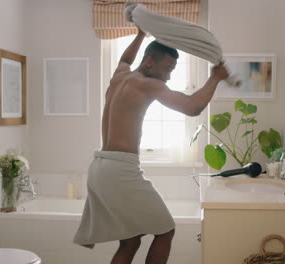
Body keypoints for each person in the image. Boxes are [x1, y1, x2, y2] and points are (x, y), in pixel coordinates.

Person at [73, 28, 228, 264]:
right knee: (165, 230)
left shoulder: (120, 76)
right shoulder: (148, 85)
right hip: (119, 171)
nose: (168, 77)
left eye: (172, 71)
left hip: (100, 167)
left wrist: (139, 34)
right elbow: (192, 106)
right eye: (166, 69)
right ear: (148, 62)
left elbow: (125, 59)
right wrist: (215, 78)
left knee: (131, 240)